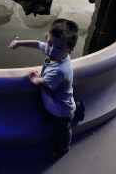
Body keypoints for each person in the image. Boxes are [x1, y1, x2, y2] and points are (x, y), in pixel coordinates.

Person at [9, 18, 79, 159]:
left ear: (70, 50)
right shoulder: (53, 54)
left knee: (63, 131)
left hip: (61, 110)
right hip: (61, 103)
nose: (51, 50)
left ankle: (63, 148)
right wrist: (19, 43)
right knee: (68, 114)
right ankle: (79, 109)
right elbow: (37, 44)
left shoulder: (59, 70)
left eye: (59, 47)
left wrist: (32, 77)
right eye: (49, 43)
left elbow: (41, 83)